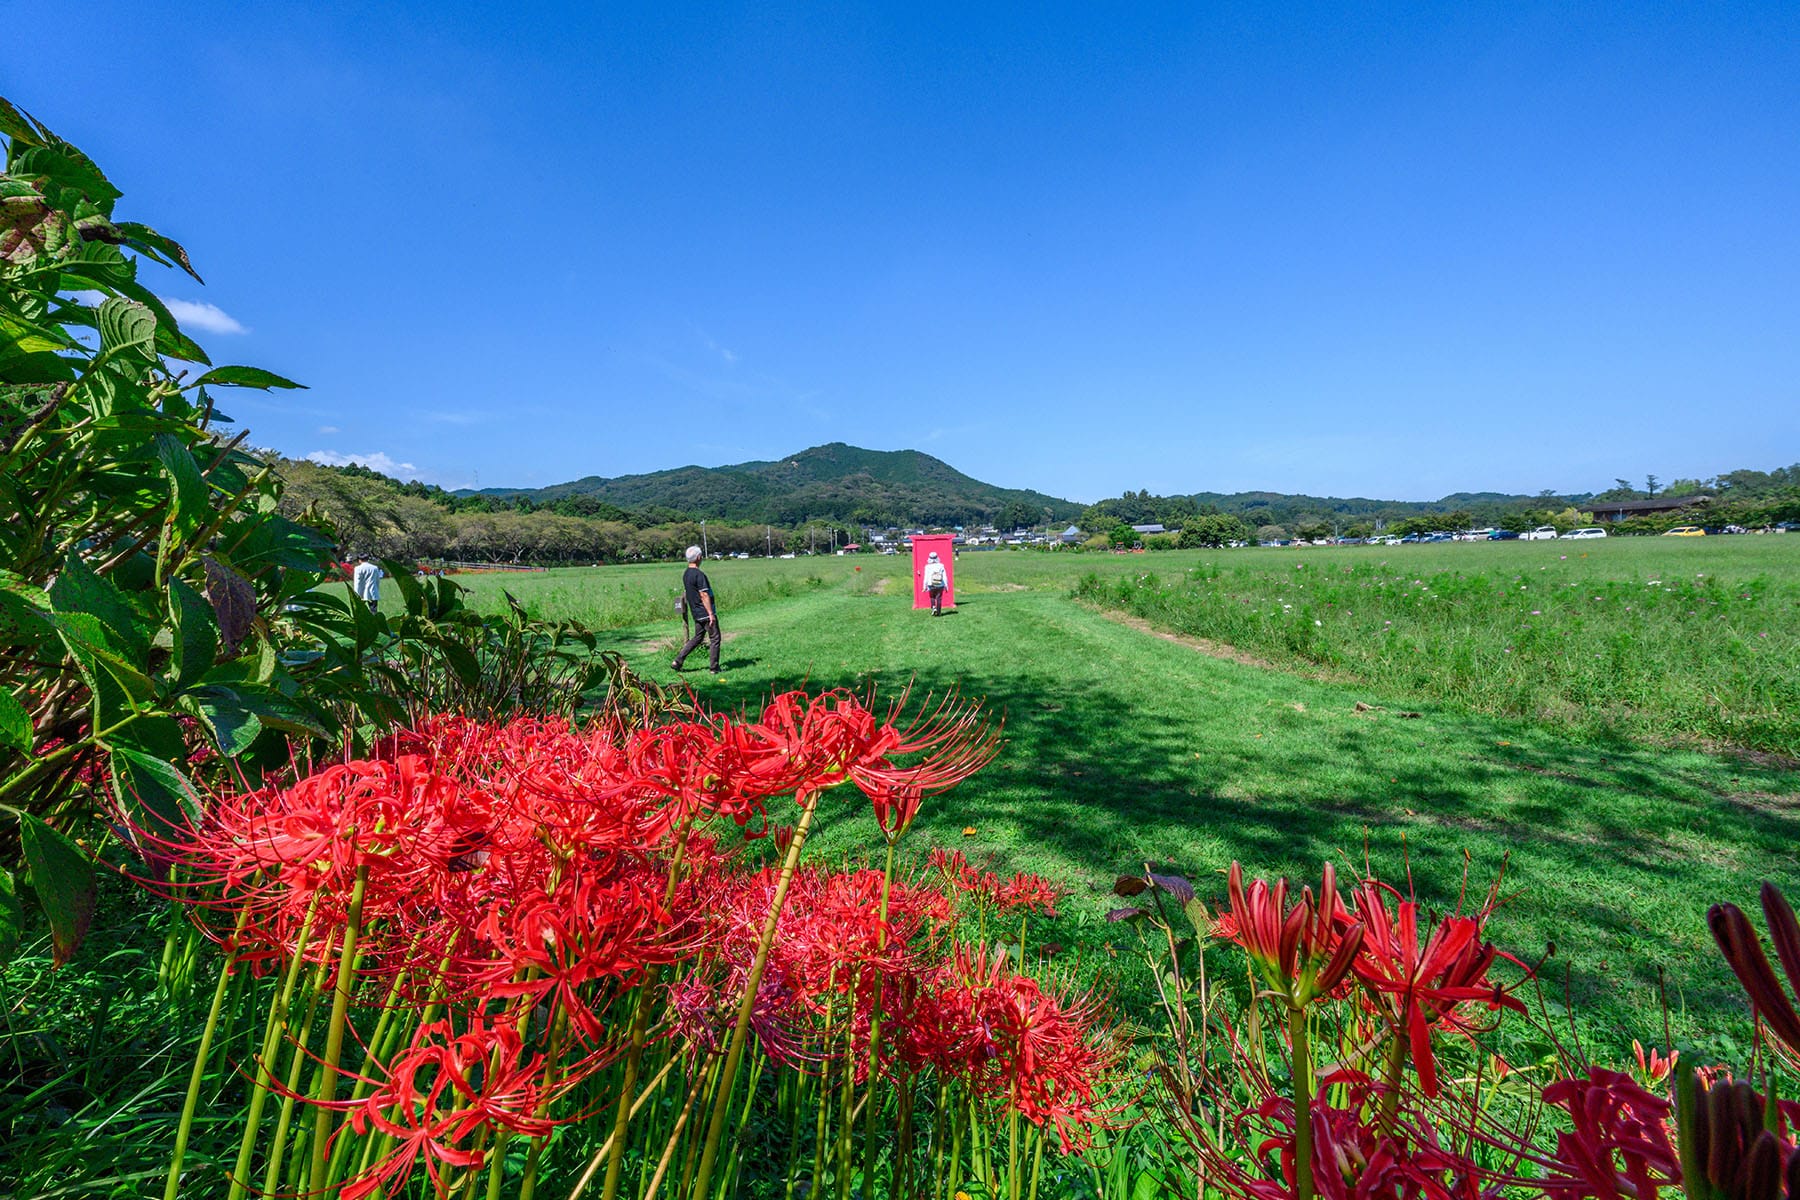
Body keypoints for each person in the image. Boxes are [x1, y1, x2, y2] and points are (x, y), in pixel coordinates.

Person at [673, 545, 721, 673]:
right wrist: (711, 614)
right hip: (705, 612)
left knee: (698, 637)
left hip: (696, 612)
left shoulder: (686, 574)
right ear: (699, 557)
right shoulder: (699, 574)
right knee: (715, 638)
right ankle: (714, 668)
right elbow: (704, 594)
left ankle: (678, 660)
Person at [923, 550, 947, 616]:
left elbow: (926, 577)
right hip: (940, 584)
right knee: (939, 598)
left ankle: (933, 607)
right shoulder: (941, 565)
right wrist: (946, 586)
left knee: (932, 597)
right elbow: (945, 577)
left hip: (931, 584)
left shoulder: (927, 566)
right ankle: (939, 613)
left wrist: (924, 587)